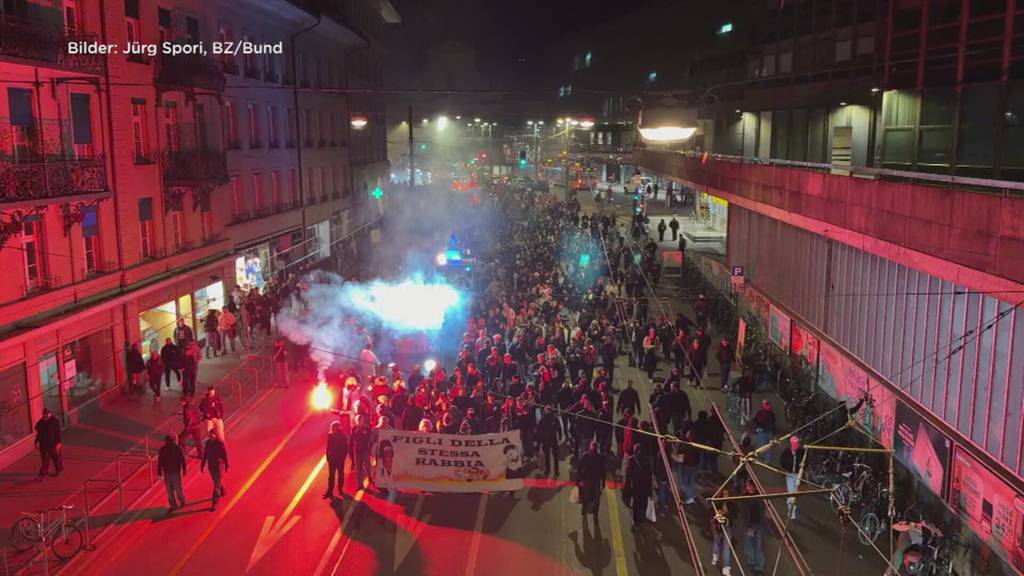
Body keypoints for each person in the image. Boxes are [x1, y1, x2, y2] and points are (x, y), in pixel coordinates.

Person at [623, 443, 653, 529]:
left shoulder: (631, 460)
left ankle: (635, 522)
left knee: (636, 504)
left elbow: (628, 477)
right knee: (643, 504)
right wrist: (650, 490)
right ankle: (641, 519)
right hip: (645, 487)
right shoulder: (647, 460)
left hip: (636, 487)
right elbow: (649, 475)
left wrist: (626, 490)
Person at [157, 434, 187, 512]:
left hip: (173, 472)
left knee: (174, 489)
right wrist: (184, 470)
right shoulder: (166, 449)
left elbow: (182, 459)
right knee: (173, 489)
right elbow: (160, 461)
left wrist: (159, 472)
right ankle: (175, 504)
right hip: (170, 472)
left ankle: (180, 502)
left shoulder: (176, 448)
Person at [711, 485, 737, 575]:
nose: (725, 495)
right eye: (724, 493)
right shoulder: (718, 502)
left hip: (728, 526)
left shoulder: (731, 504)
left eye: (727, 494)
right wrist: (718, 512)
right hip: (717, 525)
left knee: (726, 548)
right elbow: (712, 511)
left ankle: (726, 568)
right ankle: (715, 554)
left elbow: (735, 514)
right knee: (716, 541)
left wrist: (727, 512)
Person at [200, 429, 229, 511]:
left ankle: (214, 503)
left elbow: (225, 455)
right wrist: (202, 465)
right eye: (209, 436)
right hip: (211, 466)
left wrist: (227, 465)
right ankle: (222, 490)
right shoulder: (208, 443)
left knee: (216, 485)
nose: (210, 437)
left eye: (212, 435)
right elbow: (205, 454)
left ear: (215, 435)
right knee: (217, 481)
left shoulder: (220, 444)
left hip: (219, 466)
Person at [742, 480, 766, 576]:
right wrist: (748, 526)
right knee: (749, 544)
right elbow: (743, 513)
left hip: (758, 524)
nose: (750, 488)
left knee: (758, 545)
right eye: (749, 486)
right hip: (749, 525)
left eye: (752, 486)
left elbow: (762, 510)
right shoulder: (744, 498)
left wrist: (760, 523)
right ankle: (751, 562)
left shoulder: (759, 496)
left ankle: (759, 566)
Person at [779, 435, 805, 520]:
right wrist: (788, 467)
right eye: (796, 443)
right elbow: (782, 462)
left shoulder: (801, 452)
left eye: (798, 443)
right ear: (792, 444)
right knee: (791, 491)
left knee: (795, 491)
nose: (798, 445)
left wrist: (803, 465)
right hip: (790, 474)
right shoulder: (786, 452)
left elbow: (806, 460)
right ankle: (791, 510)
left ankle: (791, 503)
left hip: (797, 474)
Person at [577, 440, 604, 520]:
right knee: (596, 499)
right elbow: (603, 470)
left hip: (588, 480)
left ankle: (585, 509)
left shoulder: (586, 456)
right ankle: (595, 514)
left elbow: (579, 468)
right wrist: (603, 481)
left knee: (586, 496)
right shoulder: (600, 457)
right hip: (595, 480)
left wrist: (579, 480)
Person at [34, 408, 63, 480]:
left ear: (50, 413)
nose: (46, 415)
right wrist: (36, 442)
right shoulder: (41, 422)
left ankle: (58, 469)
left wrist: (59, 443)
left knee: (55, 459)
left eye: (47, 414)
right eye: (45, 414)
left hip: (53, 444)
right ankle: (42, 474)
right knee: (45, 461)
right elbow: (37, 430)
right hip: (44, 445)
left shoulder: (55, 422)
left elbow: (58, 433)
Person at [325, 421, 349, 500]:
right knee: (331, 475)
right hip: (332, 459)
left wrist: (343, 457)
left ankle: (340, 489)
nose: (334, 429)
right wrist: (328, 457)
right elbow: (328, 447)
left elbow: (346, 447)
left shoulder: (343, 435)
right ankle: (330, 490)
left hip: (339, 459)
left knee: (340, 474)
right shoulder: (330, 435)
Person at [535, 406, 562, 476]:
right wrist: (560, 435)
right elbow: (559, 428)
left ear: (546, 411)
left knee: (547, 455)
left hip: (546, 440)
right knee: (555, 455)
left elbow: (539, 431)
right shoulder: (555, 418)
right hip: (554, 439)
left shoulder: (543, 420)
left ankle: (548, 470)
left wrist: (538, 442)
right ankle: (557, 470)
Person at [350, 414, 372, 490]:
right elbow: (351, 440)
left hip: (365, 450)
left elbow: (371, 438)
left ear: (363, 420)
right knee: (358, 469)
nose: (359, 421)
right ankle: (360, 485)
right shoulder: (354, 429)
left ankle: (369, 477)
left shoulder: (367, 428)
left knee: (367, 467)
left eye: (361, 419)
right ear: (356, 421)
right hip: (357, 451)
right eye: (358, 420)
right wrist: (351, 452)